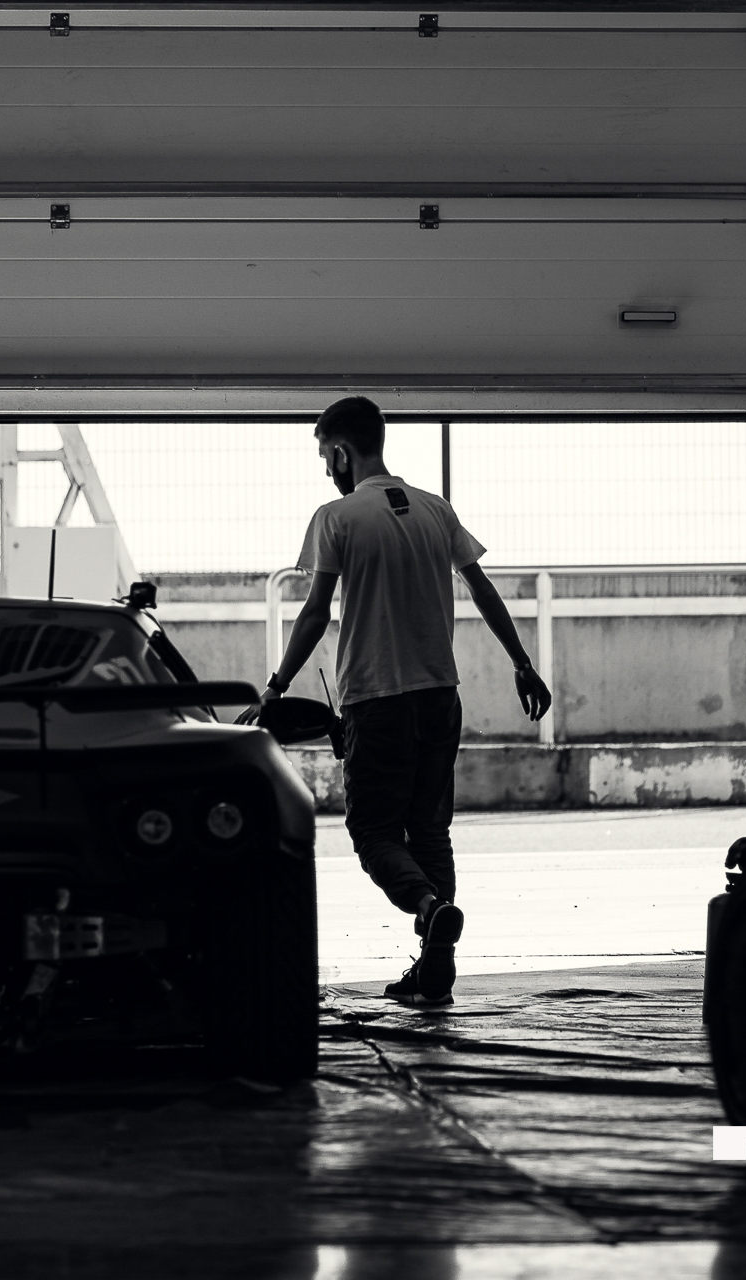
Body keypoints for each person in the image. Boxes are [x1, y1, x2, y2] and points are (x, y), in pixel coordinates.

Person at [239, 397, 551, 1008]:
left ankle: (429, 907)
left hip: (376, 700)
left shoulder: (336, 517)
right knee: (430, 830)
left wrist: (275, 686)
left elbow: (314, 613)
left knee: (373, 831)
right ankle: (436, 970)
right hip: (440, 696)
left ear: (340, 452)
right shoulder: (436, 509)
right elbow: (482, 589)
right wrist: (522, 663)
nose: (326, 469)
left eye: (325, 457)